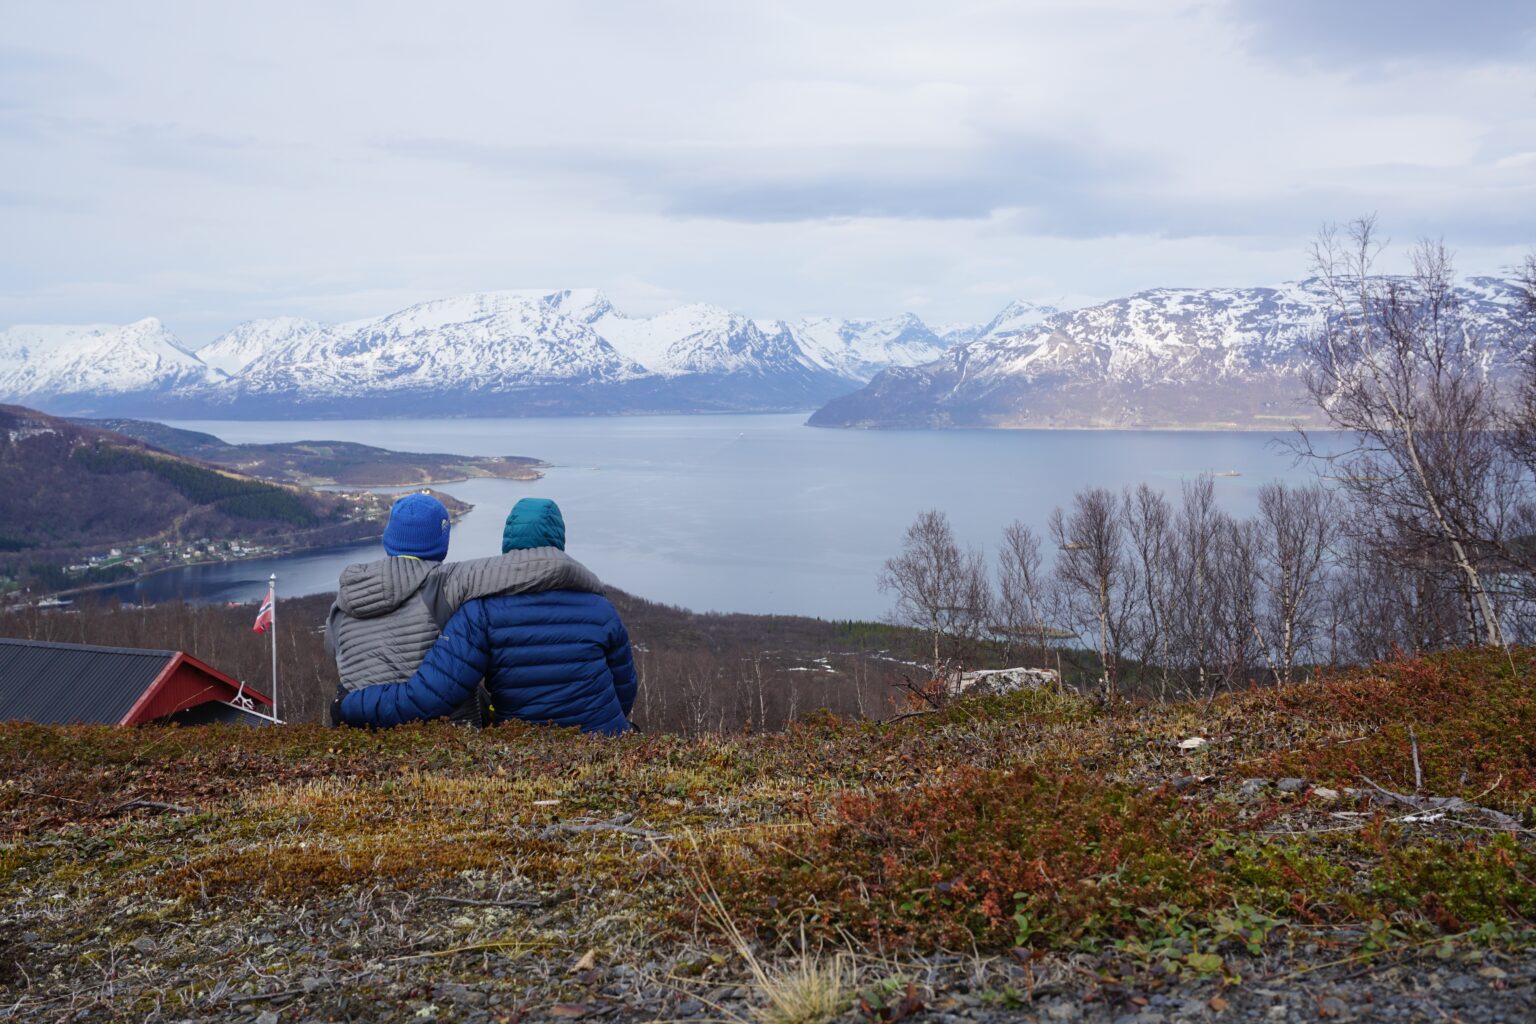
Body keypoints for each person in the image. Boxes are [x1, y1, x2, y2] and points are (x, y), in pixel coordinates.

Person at [337, 497, 637, 735]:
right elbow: (624, 687)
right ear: (559, 541)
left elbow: (437, 690)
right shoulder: (601, 609)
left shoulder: (480, 611)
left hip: (521, 743)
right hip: (605, 739)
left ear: (509, 543)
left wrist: (349, 705)